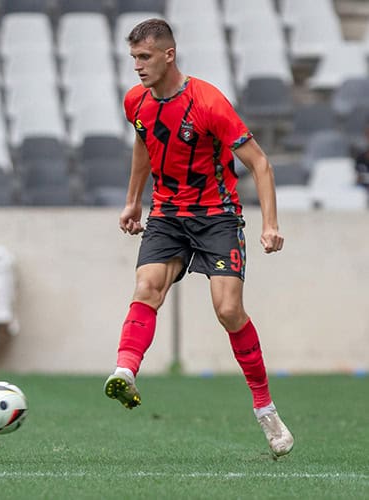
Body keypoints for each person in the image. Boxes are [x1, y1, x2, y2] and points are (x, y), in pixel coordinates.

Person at [102, 19, 294, 458]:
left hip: (217, 216)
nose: (137, 66)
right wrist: (133, 201)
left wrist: (270, 224)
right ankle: (125, 371)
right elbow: (143, 143)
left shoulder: (207, 102)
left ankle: (264, 407)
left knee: (228, 310)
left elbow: (260, 164)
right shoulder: (135, 102)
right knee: (147, 287)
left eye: (145, 57)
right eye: (133, 58)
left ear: (168, 55)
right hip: (168, 214)